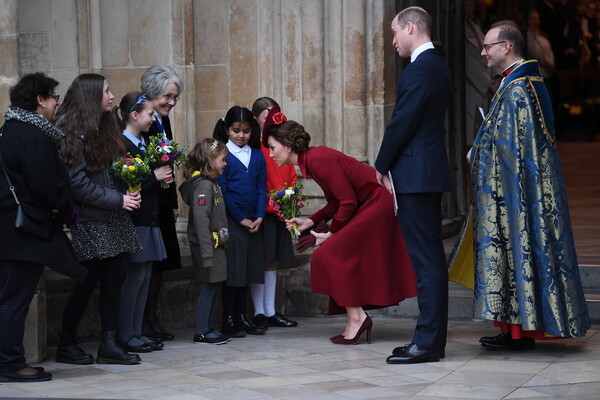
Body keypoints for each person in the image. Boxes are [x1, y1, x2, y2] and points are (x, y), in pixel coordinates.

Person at [449, 20, 590, 350]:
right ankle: (514, 330)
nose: (482, 52)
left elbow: (511, 148)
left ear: (506, 47)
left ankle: (519, 333)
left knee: (518, 255)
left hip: (517, 193)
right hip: (518, 191)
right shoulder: (519, 82)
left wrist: (478, 151)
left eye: (487, 46)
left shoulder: (519, 88)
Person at [264, 115, 417, 345]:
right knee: (335, 254)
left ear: (287, 146)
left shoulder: (317, 159)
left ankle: (358, 318)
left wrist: (332, 234)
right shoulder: (311, 160)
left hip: (376, 203)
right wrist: (310, 221)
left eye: (273, 147)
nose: (271, 153)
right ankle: (354, 319)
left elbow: (347, 202)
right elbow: (336, 203)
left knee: (330, 253)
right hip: (369, 203)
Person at [374, 7, 452, 364]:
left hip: (416, 176)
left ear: (410, 27)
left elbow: (402, 121)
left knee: (426, 262)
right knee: (429, 259)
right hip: (423, 173)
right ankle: (428, 338)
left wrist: (381, 164)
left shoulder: (422, 68)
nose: (392, 41)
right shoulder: (434, 65)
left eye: (394, 33)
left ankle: (429, 342)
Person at [0, 73, 86, 383]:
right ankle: (10, 364)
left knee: (11, 297)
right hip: (22, 234)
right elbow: (45, 184)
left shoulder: (12, 130)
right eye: (54, 98)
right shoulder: (29, 133)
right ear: (40, 100)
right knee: (15, 299)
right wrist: (64, 209)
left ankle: (10, 360)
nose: (56, 105)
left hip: (13, 231)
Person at [55, 74, 142, 365]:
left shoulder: (104, 126)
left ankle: (109, 343)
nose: (112, 96)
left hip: (113, 217)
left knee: (114, 278)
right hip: (91, 220)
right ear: (91, 96)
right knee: (86, 282)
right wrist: (118, 199)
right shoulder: (71, 130)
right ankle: (66, 343)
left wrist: (130, 182)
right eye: (107, 91)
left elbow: (109, 171)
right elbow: (76, 184)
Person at [115, 92, 173, 353]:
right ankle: (126, 334)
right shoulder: (122, 145)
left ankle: (137, 332)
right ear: (134, 115)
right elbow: (127, 184)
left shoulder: (141, 144)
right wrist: (155, 176)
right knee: (135, 278)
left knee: (145, 276)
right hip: (134, 220)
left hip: (148, 218)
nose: (153, 119)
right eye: (150, 114)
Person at [213, 105, 266, 337]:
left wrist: (260, 215)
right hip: (233, 221)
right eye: (236, 130)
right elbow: (223, 191)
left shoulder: (257, 154)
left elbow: (262, 188)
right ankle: (229, 318)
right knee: (232, 270)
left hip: (254, 222)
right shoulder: (223, 155)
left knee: (246, 270)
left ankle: (243, 316)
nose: (241, 135)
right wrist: (241, 219)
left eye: (246, 130)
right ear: (227, 129)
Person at [140, 65, 184, 341]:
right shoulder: (142, 121)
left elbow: (168, 160)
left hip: (163, 200)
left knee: (160, 263)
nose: (172, 102)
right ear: (152, 93)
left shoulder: (163, 120)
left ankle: (152, 320)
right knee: (147, 265)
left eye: (175, 97)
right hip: (146, 200)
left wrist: (173, 198)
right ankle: (142, 323)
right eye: (167, 96)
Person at [249, 97, 298, 329]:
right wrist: (272, 206)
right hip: (264, 211)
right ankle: (258, 311)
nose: (272, 119)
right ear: (256, 119)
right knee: (261, 260)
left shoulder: (282, 145)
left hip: (280, 210)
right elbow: (259, 183)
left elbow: (290, 174)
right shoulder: (256, 148)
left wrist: (289, 200)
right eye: (266, 116)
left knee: (273, 261)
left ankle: (270, 310)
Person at [179, 138, 231, 345]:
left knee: (214, 286)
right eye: (222, 160)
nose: (225, 164)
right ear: (209, 161)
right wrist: (207, 254)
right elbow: (201, 222)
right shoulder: (203, 187)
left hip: (217, 246)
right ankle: (201, 330)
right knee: (208, 288)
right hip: (208, 248)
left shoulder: (211, 184)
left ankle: (208, 328)